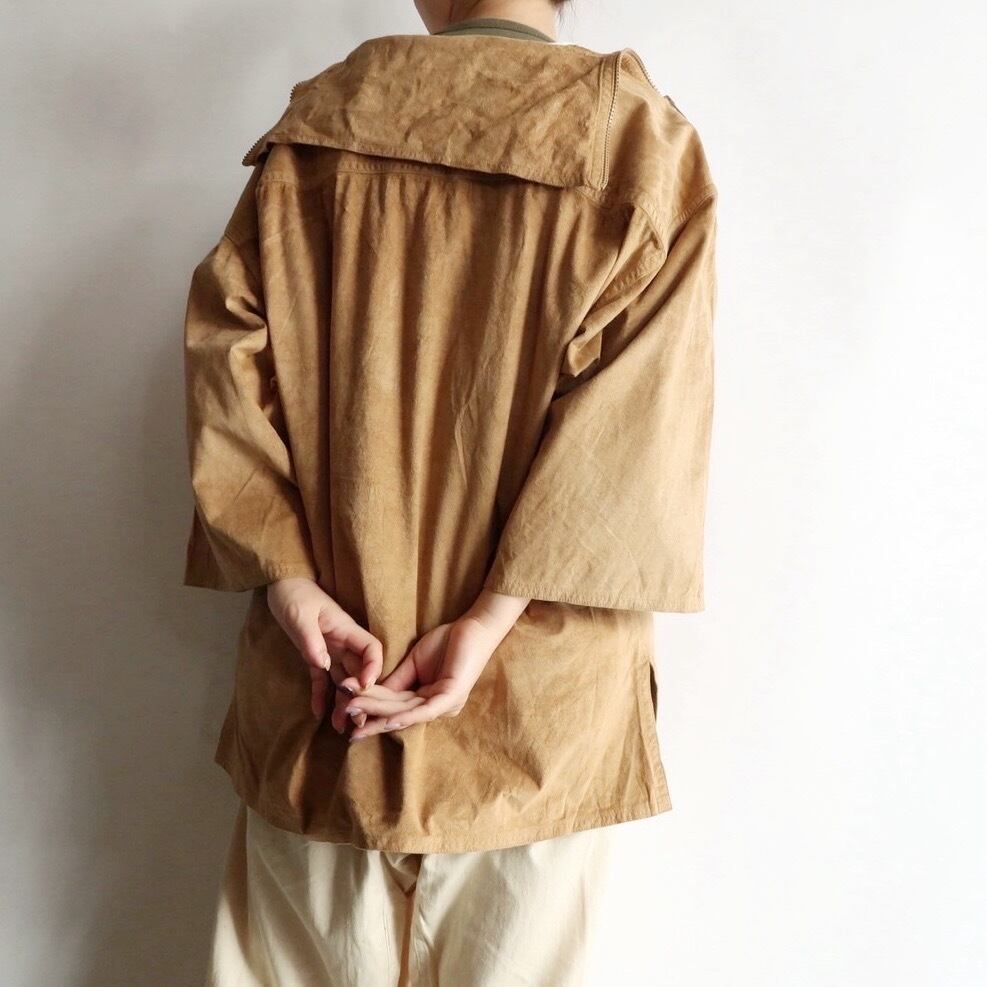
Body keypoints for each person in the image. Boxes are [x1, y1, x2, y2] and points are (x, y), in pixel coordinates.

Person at [182, 0, 718, 982]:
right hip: (534, 724)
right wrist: (487, 620)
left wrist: (293, 584)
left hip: (326, 704)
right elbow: (633, 441)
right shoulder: (640, 146)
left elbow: (227, 375)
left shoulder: (316, 131)